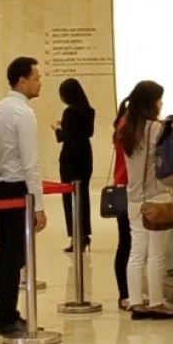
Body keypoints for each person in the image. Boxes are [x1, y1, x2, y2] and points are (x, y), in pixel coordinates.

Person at [0, 57, 48, 337]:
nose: (40, 82)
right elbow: (30, 163)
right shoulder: (22, 113)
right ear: (22, 81)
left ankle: (5, 310)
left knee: (5, 253)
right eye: (36, 77)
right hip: (16, 188)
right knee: (13, 255)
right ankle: (7, 317)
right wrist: (38, 204)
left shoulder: (0, 107)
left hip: (0, 185)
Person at [120, 81, 173, 321]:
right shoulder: (156, 129)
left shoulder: (126, 129)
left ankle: (136, 302)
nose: (161, 103)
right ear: (151, 102)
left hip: (133, 197)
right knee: (157, 254)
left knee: (137, 252)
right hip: (157, 197)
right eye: (159, 99)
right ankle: (156, 302)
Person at [51, 78, 95, 253]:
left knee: (69, 198)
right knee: (83, 196)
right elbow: (89, 132)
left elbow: (64, 136)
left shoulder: (69, 113)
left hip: (71, 157)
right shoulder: (89, 111)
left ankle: (75, 236)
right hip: (85, 155)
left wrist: (57, 128)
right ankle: (85, 234)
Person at [112, 97, 132, 311]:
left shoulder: (122, 123)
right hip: (127, 186)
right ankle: (125, 292)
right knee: (127, 242)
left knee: (126, 242)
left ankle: (127, 292)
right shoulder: (129, 127)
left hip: (122, 184)